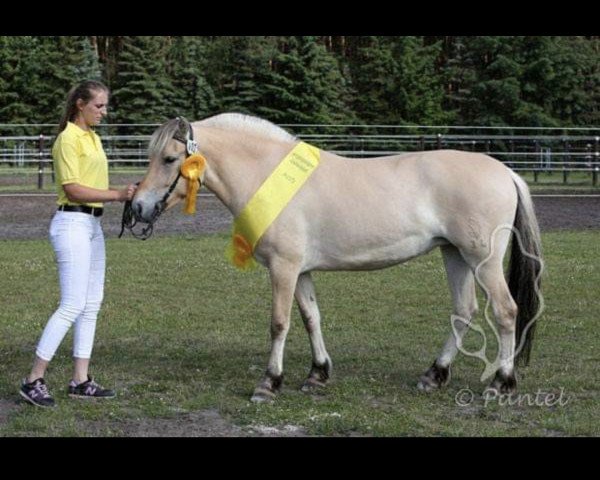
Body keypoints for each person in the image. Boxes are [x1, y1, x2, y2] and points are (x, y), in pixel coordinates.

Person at [19, 80, 137, 408]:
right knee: (72, 304)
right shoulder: (67, 139)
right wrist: (116, 194)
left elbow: (91, 183)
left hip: (92, 225)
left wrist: (122, 193)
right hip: (71, 223)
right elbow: (72, 188)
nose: (104, 111)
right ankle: (33, 379)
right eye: (98, 106)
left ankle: (80, 380)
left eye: (105, 106)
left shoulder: (93, 138)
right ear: (80, 105)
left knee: (91, 303)